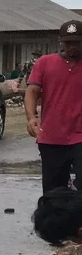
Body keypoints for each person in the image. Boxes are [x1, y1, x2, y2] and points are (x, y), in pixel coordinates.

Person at [25, 21, 82, 192]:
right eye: (68, 42)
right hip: (52, 137)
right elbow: (32, 91)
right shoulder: (44, 63)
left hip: (80, 137)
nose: (73, 46)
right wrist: (31, 117)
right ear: (61, 42)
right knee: (53, 192)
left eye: (77, 42)